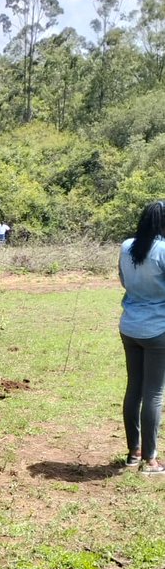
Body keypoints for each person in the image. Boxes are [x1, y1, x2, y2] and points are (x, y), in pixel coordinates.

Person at [118, 199, 165, 475]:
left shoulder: (127, 246)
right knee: (154, 393)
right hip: (158, 329)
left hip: (129, 326)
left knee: (133, 389)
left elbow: (123, 280)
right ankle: (151, 460)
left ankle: (133, 454)